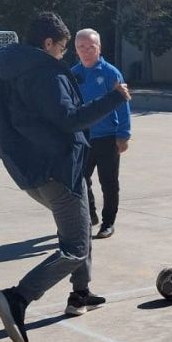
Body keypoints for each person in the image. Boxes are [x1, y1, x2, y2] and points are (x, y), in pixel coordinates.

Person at [0, 12, 131, 342]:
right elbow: (71, 120)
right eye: (63, 47)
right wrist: (115, 97)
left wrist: (5, 136)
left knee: (81, 226)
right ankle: (18, 297)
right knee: (75, 248)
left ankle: (80, 293)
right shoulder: (47, 72)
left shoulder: (4, 67)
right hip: (59, 169)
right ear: (48, 43)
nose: (63, 54)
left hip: (30, 170)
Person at [72, 28, 130, 239]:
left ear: (99, 48)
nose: (86, 51)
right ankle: (90, 215)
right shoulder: (72, 74)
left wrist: (123, 134)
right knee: (80, 180)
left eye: (91, 47)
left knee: (109, 183)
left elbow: (123, 104)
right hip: (82, 138)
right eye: (82, 47)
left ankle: (108, 223)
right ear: (76, 49)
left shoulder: (111, 73)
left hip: (108, 138)